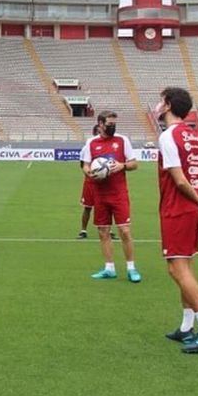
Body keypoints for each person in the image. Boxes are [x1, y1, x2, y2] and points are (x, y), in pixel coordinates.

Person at [156, 87, 198, 353]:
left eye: (161, 101)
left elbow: (180, 180)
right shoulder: (194, 136)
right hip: (194, 209)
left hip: (178, 208)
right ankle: (186, 327)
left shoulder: (168, 136)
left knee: (177, 269)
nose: (158, 106)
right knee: (186, 265)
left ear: (168, 105)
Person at [80, 111, 140, 282]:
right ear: (100, 124)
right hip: (100, 194)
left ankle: (131, 268)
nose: (112, 127)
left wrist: (122, 165)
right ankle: (109, 268)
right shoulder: (91, 143)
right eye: (109, 124)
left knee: (125, 231)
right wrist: (90, 173)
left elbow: (134, 163)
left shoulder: (122, 140)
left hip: (119, 194)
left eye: (114, 124)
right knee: (103, 231)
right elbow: (85, 165)